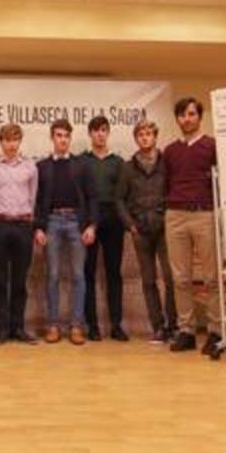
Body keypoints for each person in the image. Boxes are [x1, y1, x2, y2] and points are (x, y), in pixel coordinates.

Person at [162, 97, 221, 355]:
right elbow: (166, 183)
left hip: (204, 215)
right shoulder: (170, 151)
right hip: (175, 216)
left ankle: (216, 331)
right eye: (182, 115)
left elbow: (220, 182)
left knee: (211, 277)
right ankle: (186, 330)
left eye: (191, 114)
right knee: (181, 278)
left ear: (199, 116)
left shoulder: (212, 146)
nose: (186, 119)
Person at [34, 118, 97, 345]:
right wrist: (38, 227)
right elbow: (37, 200)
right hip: (51, 222)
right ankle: (53, 325)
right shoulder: (42, 166)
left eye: (66, 136)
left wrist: (91, 225)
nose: (62, 140)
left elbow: (92, 197)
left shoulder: (82, 165)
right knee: (52, 275)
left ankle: (77, 326)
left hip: (76, 222)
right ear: (52, 138)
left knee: (78, 275)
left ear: (70, 139)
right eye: (58, 135)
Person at [118, 120, 177, 343]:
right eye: (140, 134)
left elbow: (174, 190)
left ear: (155, 136)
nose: (144, 137)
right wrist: (130, 225)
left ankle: (174, 326)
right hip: (140, 231)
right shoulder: (128, 167)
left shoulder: (167, 163)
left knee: (171, 278)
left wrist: (169, 217)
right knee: (149, 280)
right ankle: (158, 327)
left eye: (148, 134)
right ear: (136, 139)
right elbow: (119, 200)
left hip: (164, 228)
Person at [0, 124, 38, 345]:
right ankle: (1, 330)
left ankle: (18, 328)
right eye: (6, 140)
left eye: (15, 139)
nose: (11, 144)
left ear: (19, 141)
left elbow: (33, 198)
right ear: (1, 142)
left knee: (20, 281)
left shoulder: (31, 168)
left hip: (23, 226)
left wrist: (30, 225)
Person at [78, 116, 130, 342]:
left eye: (104, 130)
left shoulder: (118, 162)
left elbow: (123, 195)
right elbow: (80, 194)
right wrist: (86, 222)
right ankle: (92, 326)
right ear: (90, 134)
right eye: (96, 130)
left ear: (108, 133)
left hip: (113, 221)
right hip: (89, 221)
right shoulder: (82, 161)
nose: (100, 134)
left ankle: (116, 325)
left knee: (113, 273)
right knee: (87, 272)